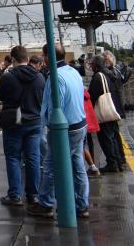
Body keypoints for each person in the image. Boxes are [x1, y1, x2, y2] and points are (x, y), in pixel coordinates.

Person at [28, 43, 89, 219]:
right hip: (80, 124)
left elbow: (54, 107)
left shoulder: (55, 78)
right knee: (78, 166)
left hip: (65, 129)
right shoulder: (73, 72)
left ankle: (46, 203)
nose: (43, 59)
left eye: (44, 55)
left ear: (49, 57)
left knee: (51, 166)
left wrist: (47, 125)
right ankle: (81, 205)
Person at [0, 46, 45, 206]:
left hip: (14, 123)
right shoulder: (39, 77)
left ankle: (15, 195)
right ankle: (33, 195)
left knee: (13, 158)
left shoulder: (8, 77)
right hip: (34, 123)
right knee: (33, 158)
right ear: (27, 59)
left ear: (14, 59)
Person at [89, 55, 125, 173]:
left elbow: (92, 95)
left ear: (96, 65)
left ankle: (112, 163)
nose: (91, 67)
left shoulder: (98, 76)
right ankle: (118, 161)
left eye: (92, 64)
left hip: (104, 112)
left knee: (106, 138)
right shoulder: (110, 73)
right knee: (114, 137)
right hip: (113, 110)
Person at [104, 51, 128, 169]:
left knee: (111, 135)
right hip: (116, 107)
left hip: (111, 107)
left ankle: (115, 160)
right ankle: (121, 157)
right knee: (115, 133)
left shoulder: (109, 73)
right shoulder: (117, 71)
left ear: (107, 61)